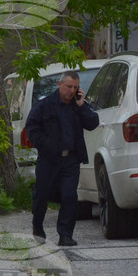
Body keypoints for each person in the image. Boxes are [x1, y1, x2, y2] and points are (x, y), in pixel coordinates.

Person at [25, 71, 99, 246]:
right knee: (41, 196)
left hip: (70, 160)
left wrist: (82, 106)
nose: (72, 91)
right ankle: (37, 227)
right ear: (60, 84)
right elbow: (32, 127)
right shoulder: (44, 105)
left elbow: (93, 123)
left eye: (75, 87)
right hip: (49, 159)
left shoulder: (78, 106)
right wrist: (45, 145)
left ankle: (65, 235)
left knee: (69, 197)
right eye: (69, 87)